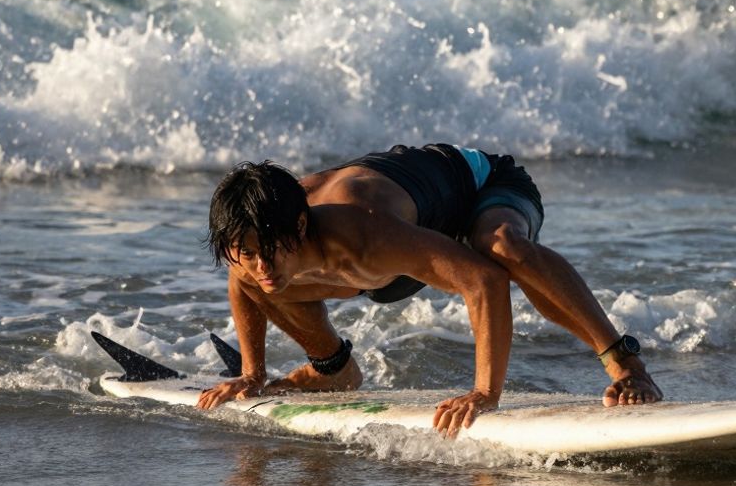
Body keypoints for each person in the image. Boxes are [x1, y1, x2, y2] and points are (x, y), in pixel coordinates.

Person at [194, 144, 662, 437]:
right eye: (246, 252)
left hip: (480, 191)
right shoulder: (262, 241)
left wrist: (483, 393)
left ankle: (624, 363)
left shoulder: (366, 234)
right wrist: (252, 374)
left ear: (299, 225)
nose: (259, 264)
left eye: (267, 251)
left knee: (500, 248)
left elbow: (484, 281)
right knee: (263, 284)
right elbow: (243, 281)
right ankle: (332, 368)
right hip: (402, 248)